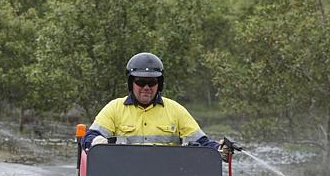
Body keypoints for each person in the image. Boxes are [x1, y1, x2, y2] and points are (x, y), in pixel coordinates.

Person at [81, 52, 230, 160]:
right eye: (140, 82)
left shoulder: (175, 110)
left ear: (159, 84)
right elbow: (88, 137)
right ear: (131, 83)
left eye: (152, 82)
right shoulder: (114, 108)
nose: (146, 87)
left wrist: (219, 149)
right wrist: (98, 142)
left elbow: (202, 142)